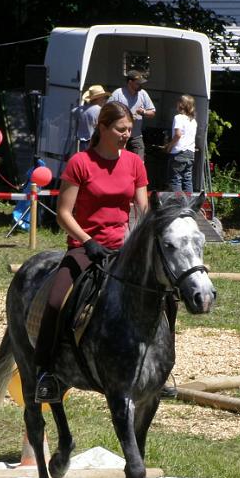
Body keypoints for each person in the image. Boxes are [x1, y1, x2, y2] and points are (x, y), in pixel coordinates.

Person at [34, 101, 149, 403]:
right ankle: (45, 372)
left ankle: (157, 369)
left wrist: (144, 239)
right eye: (120, 129)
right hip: (85, 249)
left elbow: (143, 208)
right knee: (57, 302)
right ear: (102, 128)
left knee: (161, 298)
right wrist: (87, 241)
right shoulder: (80, 163)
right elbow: (63, 214)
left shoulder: (135, 163)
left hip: (122, 250)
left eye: (129, 130)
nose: (126, 134)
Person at [108, 70, 156, 160]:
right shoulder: (118, 94)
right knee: (119, 161)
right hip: (120, 136)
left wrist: (143, 112)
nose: (141, 85)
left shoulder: (143, 94)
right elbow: (107, 112)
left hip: (136, 136)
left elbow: (152, 112)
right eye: (138, 83)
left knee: (140, 162)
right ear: (130, 82)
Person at [165, 95, 198, 192]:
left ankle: (178, 204)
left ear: (181, 104)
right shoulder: (193, 121)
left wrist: (170, 145)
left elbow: (178, 134)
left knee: (176, 179)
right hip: (190, 153)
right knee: (187, 179)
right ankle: (189, 204)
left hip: (179, 152)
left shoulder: (178, 117)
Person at [75, 84, 109, 151]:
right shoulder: (99, 110)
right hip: (94, 141)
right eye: (103, 97)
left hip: (82, 143)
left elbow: (73, 111)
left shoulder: (80, 109)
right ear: (99, 98)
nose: (104, 100)